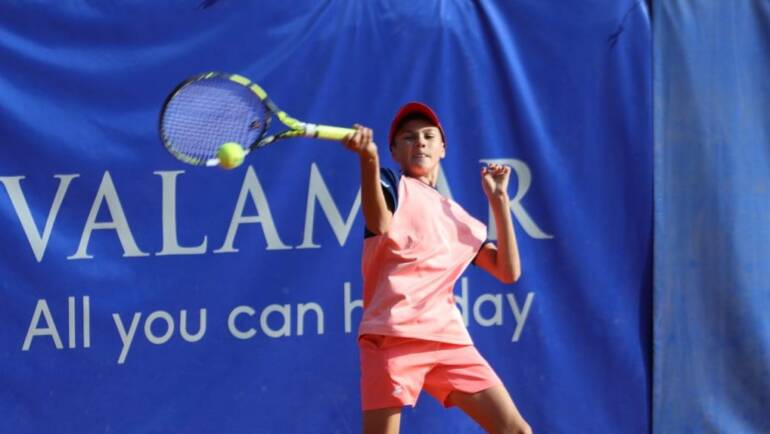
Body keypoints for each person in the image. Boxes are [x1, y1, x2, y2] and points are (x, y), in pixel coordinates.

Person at [342, 102, 532, 434]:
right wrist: (367, 159)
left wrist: (499, 201)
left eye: (429, 136)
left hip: (448, 341)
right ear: (395, 151)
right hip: (391, 338)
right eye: (408, 138)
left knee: (516, 431)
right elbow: (379, 222)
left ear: (442, 149)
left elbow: (507, 271)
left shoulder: (460, 218)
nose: (420, 143)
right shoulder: (391, 184)